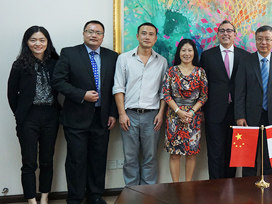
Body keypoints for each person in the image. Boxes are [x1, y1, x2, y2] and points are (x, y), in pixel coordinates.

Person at [52, 20, 118, 204]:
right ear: (83, 33)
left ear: (103, 36)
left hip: (102, 118)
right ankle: (75, 198)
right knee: (76, 160)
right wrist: (82, 95)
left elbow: (116, 87)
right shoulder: (69, 53)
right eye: (90, 31)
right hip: (76, 117)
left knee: (98, 159)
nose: (94, 35)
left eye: (98, 32)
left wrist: (113, 113)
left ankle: (95, 196)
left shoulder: (112, 56)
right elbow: (58, 81)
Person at [7, 26, 61, 204]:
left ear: (47, 42)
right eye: (33, 40)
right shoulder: (19, 65)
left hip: (51, 116)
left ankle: (44, 198)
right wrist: (20, 115)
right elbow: (12, 94)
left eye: (42, 40)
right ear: (27, 42)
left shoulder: (55, 63)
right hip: (28, 117)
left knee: (47, 160)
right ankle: (31, 200)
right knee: (29, 162)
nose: (38, 44)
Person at [113, 22, 168, 186]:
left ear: (155, 38)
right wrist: (122, 114)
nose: (147, 37)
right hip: (129, 114)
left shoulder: (162, 61)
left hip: (152, 116)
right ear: (137, 36)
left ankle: (148, 194)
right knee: (130, 157)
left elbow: (163, 91)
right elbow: (118, 87)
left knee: (150, 156)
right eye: (144, 33)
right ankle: (131, 194)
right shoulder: (123, 58)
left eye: (151, 34)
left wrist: (160, 113)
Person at [235, 25, 272, 177]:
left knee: (271, 157)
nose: (263, 42)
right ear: (255, 41)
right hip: (249, 116)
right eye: (260, 39)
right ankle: (248, 191)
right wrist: (240, 116)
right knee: (248, 158)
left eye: (267, 39)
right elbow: (239, 91)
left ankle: (269, 190)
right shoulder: (246, 61)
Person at [200, 20, 249, 179]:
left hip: (238, 112)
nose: (226, 33)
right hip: (214, 112)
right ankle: (214, 189)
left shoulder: (245, 56)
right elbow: (202, 85)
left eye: (229, 31)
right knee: (215, 153)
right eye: (222, 31)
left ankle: (230, 187)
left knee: (234, 153)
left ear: (235, 34)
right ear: (218, 34)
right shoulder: (207, 55)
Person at [162, 39, 208, 182]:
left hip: (193, 117)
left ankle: (188, 185)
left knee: (191, 153)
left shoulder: (200, 72)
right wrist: (178, 112)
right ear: (179, 53)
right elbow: (166, 94)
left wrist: (192, 112)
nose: (186, 53)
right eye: (183, 50)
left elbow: (204, 95)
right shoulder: (171, 71)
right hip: (174, 116)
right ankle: (176, 185)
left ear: (194, 53)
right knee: (174, 154)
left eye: (189, 50)